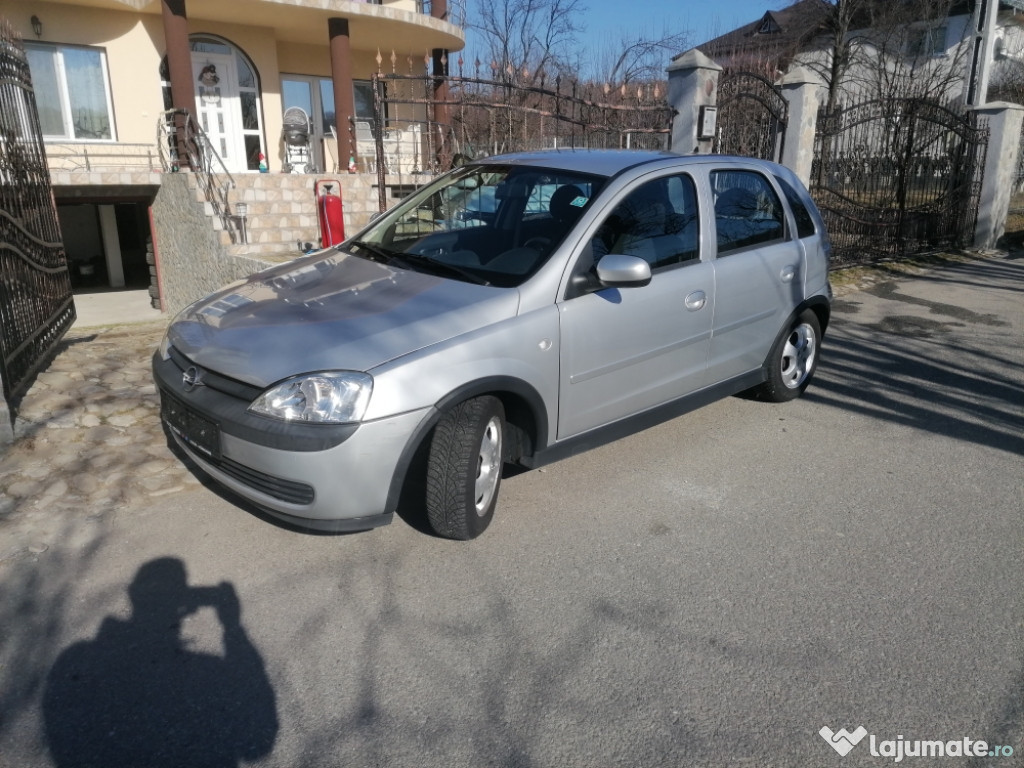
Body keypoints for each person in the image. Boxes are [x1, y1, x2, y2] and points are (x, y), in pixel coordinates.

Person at [43, 558, 278, 768]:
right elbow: (258, 744)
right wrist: (232, 626)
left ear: (133, 593)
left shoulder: (74, 657)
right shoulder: (210, 667)